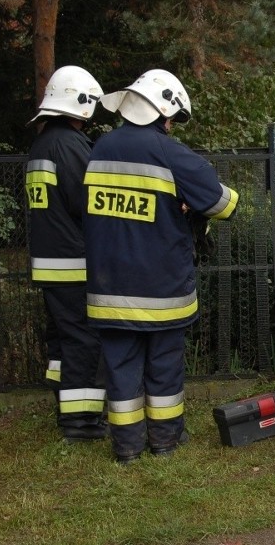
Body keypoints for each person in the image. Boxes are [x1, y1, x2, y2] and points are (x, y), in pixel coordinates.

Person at [83, 69, 239, 464]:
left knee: (120, 370)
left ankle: (128, 448)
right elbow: (224, 203)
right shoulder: (170, 153)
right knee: (164, 369)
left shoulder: (100, 148)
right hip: (161, 290)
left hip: (108, 288)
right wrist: (187, 201)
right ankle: (165, 442)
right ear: (161, 111)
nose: (171, 126)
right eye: (171, 118)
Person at [25, 65, 107, 443]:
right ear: (83, 102)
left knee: (61, 340)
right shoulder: (70, 146)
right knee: (83, 341)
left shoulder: (42, 143)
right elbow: (87, 202)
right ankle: (81, 423)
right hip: (73, 264)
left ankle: (64, 404)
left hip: (48, 263)